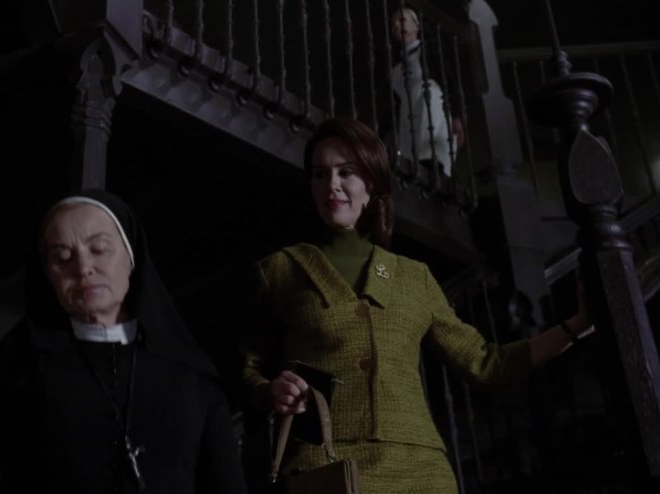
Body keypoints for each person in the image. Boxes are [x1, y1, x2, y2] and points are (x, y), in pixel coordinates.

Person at [240, 118, 592, 493]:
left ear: (371, 182)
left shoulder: (413, 277)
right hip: (326, 469)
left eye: (346, 172)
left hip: (422, 472)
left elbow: (486, 363)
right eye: (319, 174)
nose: (332, 185)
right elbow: (246, 368)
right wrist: (269, 389)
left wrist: (577, 325)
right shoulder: (280, 271)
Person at [0, 189, 248, 494]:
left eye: (99, 249)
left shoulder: (192, 375)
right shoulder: (23, 362)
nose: (83, 268)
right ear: (48, 275)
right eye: (63, 257)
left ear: (132, 257)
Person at [389, 7, 464, 177]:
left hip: (431, 104)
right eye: (393, 25)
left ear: (416, 27)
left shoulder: (430, 50)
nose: (397, 25)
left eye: (402, 20)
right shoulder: (396, 65)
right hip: (408, 112)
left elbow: (448, 79)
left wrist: (457, 114)